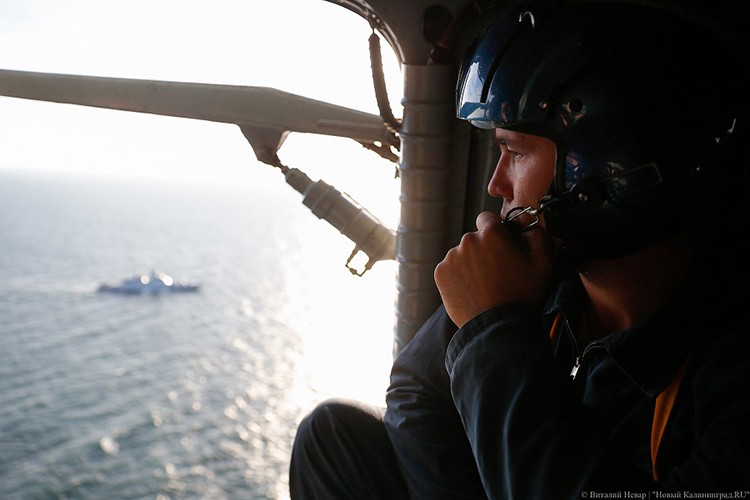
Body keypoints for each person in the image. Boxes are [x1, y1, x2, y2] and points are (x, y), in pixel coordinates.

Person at [289, 0, 750, 497]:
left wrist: (494, 331)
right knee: (331, 436)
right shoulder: (537, 270)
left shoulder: (731, 370)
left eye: (515, 152)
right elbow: (415, 390)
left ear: (604, 168)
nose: (495, 184)